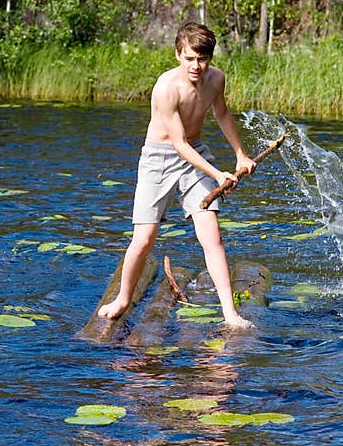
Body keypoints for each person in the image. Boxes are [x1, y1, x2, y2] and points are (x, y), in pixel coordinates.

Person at [97, 21, 257, 329]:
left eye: (203, 58)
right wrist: (218, 173)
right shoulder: (165, 88)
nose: (197, 65)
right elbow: (178, 144)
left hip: (195, 153)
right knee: (144, 239)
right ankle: (123, 299)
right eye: (190, 59)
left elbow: (222, 114)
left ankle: (230, 315)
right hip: (160, 158)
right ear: (177, 54)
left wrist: (240, 154)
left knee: (211, 234)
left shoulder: (216, 79)